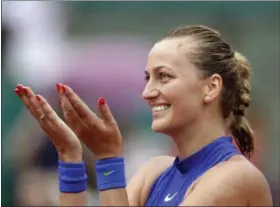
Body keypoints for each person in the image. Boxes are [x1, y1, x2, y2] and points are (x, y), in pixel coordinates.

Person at [14, 25, 273, 206]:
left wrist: (107, 159)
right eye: (147, 78)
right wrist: (70, 157)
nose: (147, 93)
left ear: (211, 87)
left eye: (164, 77)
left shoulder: (239, 178)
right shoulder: (154, 171)